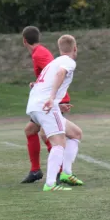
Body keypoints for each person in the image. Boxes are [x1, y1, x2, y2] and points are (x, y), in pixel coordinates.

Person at [26, 35, 84, 191]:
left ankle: (66, 173)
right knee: (59, 143)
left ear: (59, 49)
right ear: (75, 48)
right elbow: (60, 74)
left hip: (36, 105)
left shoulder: (54, 62)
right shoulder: (68, 62)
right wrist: (52, 98)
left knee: (76, 133)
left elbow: (40, 84)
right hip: (45, 105)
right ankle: (50, 184)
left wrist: (57, 103)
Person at [20, 26, 73, 184]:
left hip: (53, 100)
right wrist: (36, 84)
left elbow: (56, 72)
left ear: (24, 41)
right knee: (30, 131)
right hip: (47, 100)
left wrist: (59, 101)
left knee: (47, 135)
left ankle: (60, 171)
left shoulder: (39, 54)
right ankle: (36, 170)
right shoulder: (39, 52)